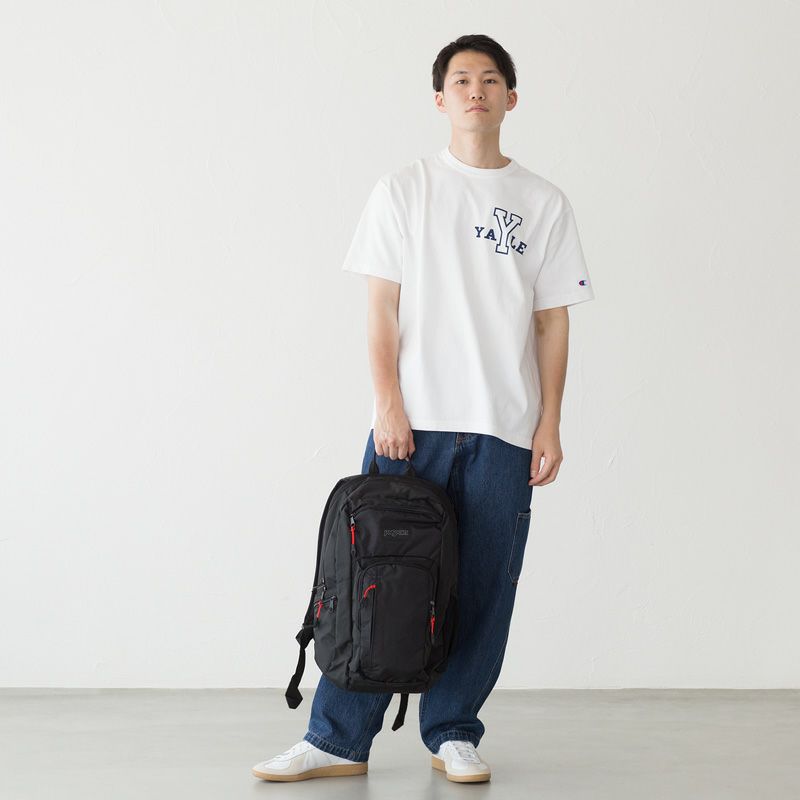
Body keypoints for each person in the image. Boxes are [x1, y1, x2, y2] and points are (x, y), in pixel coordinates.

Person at [252, 33, 595, 784]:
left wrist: (549, 421)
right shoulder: (404, 190)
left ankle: (453, 732)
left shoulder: (543, 203)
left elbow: (551, 322)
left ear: (511, 97)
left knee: (484, 587)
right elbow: (381, 308)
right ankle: (337, 738)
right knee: (372, 577)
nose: (476, 90)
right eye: (461, 80)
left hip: (505, 429)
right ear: (440, 99)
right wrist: (388, 404)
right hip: (413, 425)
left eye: (491, 80)